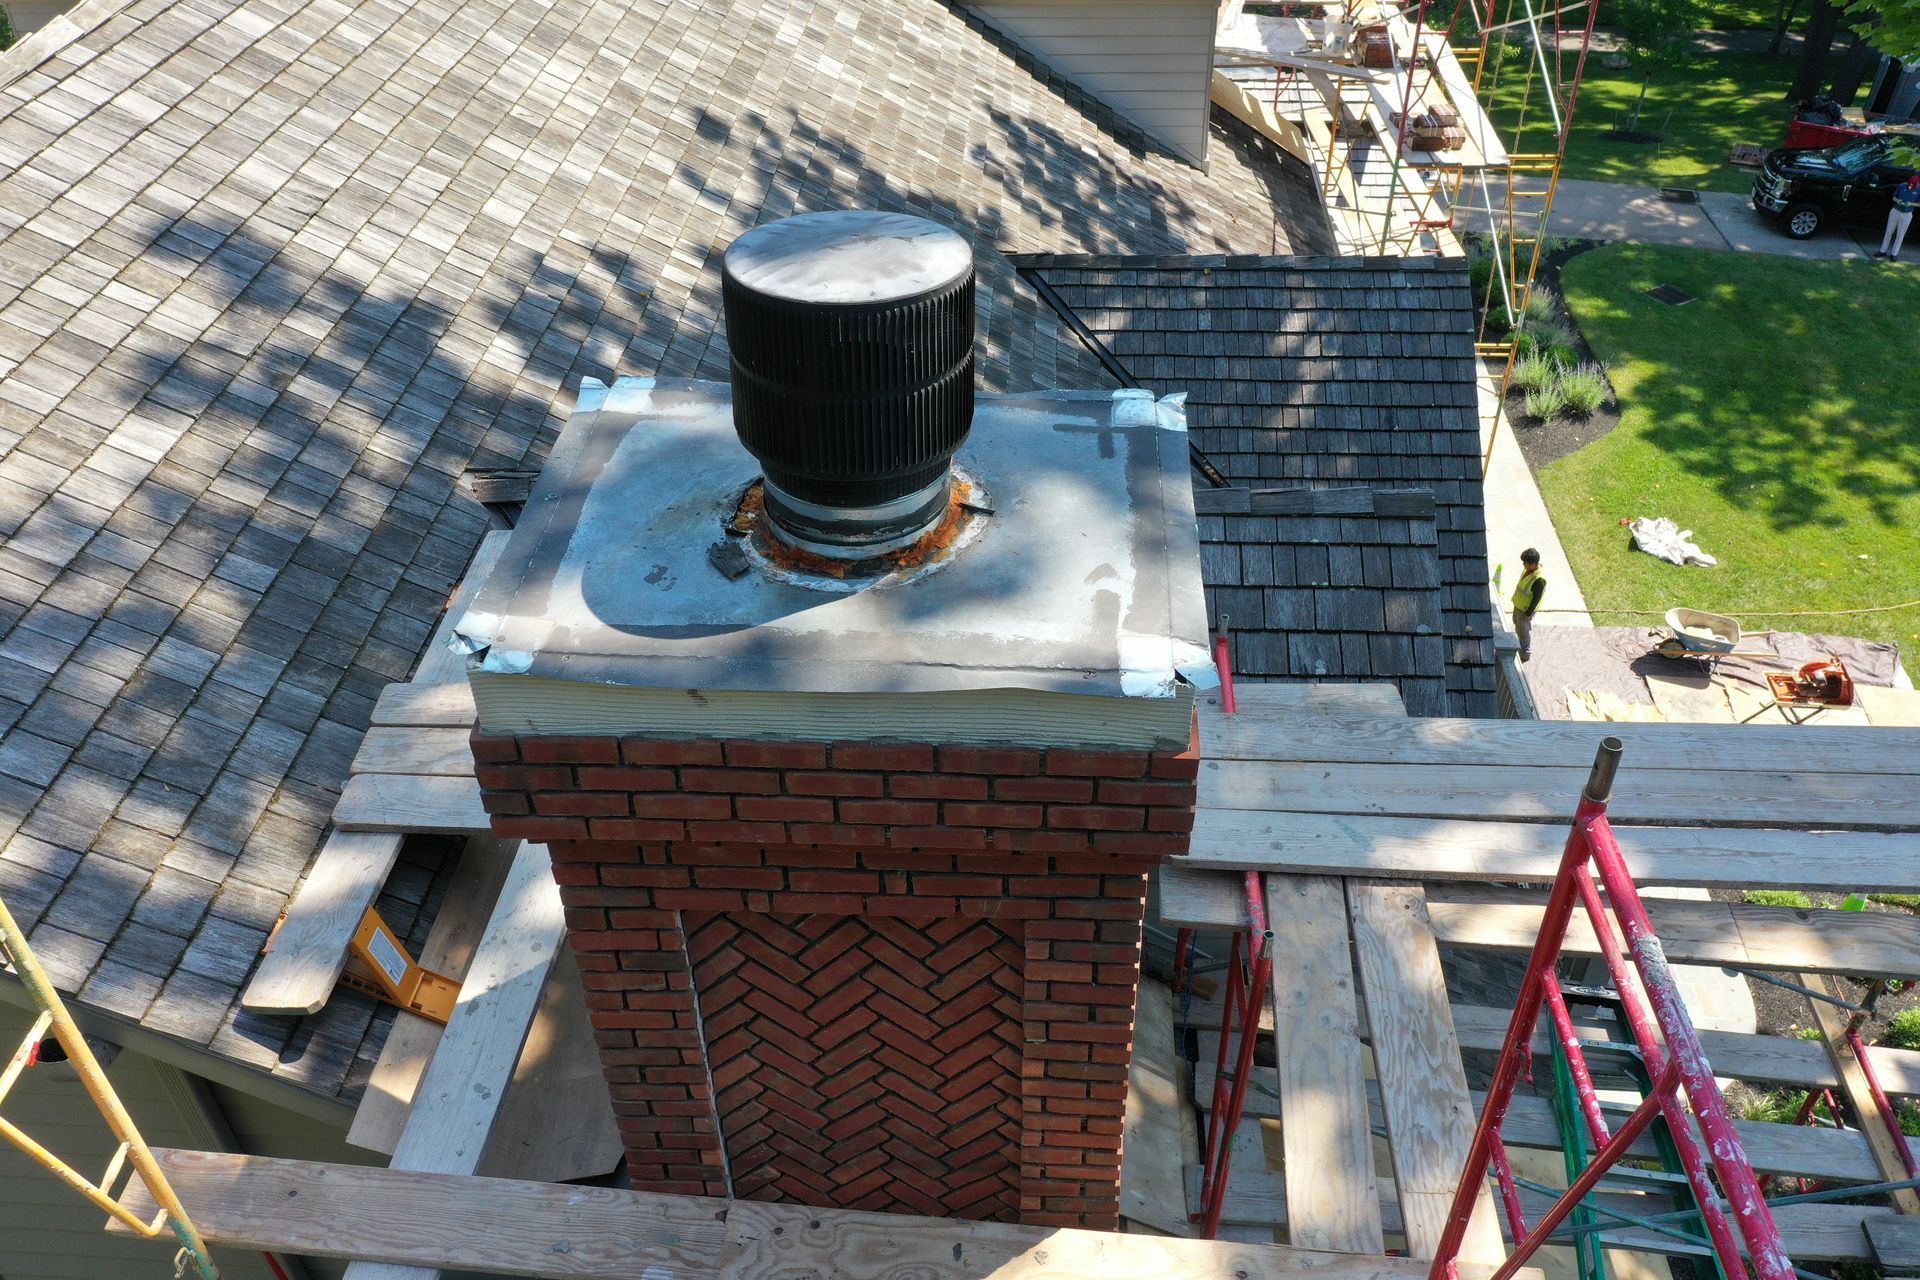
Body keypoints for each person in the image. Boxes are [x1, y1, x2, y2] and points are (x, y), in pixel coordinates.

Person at [1511, 548, 1546, 662]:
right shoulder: (1528, 570)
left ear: (1532, 564)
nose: (1523, 565)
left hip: (1525, 610)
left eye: (1525, 563)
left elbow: (1536, 598)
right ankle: (1518, 643)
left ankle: (1525, 653)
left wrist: (1528, 613)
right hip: (1519, 605)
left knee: (1525, 631)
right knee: (1518, 626)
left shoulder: (1539, 580)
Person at [1876, 172, 1920, 261]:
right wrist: (1898, 201)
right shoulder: (1902, 185)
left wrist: (1910, 204)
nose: (1911, 185)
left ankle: (1894, 254)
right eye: (1910, 183)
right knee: (1889, 231)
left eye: (1913, 184)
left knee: (1900, 234)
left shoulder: (1919, 189)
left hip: (1907, 214)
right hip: (1895, 211)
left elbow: (1919, 204)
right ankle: (1882, 251)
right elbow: (1894, 197)